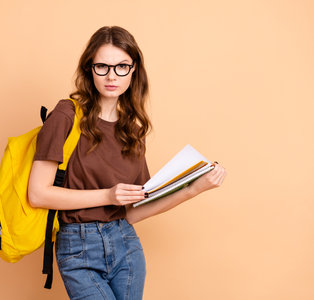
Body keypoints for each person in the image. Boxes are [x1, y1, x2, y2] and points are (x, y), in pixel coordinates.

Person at [28, 25, 227, 300]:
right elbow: (37, 194)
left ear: (134, 71)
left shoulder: (132, 131)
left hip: (126, 246)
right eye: (102, 66)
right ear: (89, 69)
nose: (112, 76)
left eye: (122, 66)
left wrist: (194, 188)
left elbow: (131, 212)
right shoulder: (66, 115)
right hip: (78, 246)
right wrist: (108, 195)